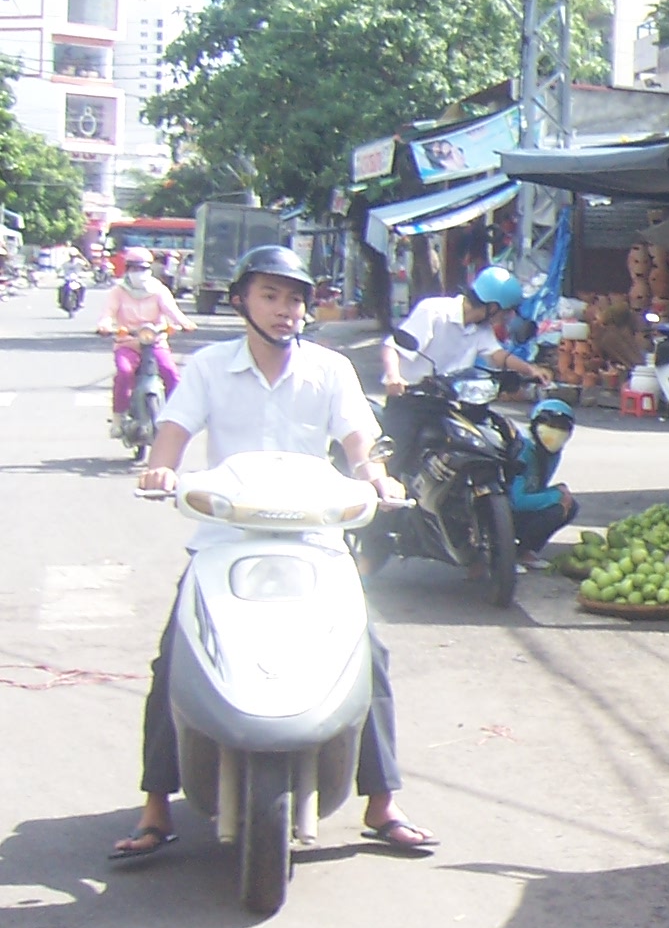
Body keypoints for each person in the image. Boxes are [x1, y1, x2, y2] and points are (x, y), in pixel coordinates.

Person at [112, 246, 433, 863]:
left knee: (369, 655)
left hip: (313, 540)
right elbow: (173, 433)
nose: (285, 310)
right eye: (270, 295)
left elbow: (362, 444)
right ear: (242, 301)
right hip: (225, 540)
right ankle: (155, 808)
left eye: (295, 299)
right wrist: (160, 470)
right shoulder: (210, 367)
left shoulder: (331, 369)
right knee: (175, 655)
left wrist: (378, 479)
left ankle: (382, 802)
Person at [381, 265, 550, 393]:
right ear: (493, 307)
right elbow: (392, 347)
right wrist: (393, 377)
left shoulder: (481, 328)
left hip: (450, 399)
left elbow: (498, 356)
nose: (507, 318)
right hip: (411, 395)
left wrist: (531, 370)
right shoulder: (434, 311)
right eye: (506, 312)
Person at [98, 248, 194, 429]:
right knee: (124, 372)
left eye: (143, 268)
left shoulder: (159, 290)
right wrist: (105, 325)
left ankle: (177, 414)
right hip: (127, 342)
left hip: (155, 341)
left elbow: (172, 311)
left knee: (170, 372)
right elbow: (108, 312)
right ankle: (118, 417)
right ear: (127, 269)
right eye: (134, 268)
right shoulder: (118, 291)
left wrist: (184, 323)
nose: (139, 273)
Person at [506, 396, 580, 563]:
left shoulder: (552, 454)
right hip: (503, 511)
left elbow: (536, 488)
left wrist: (559, 492)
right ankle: (503, 555)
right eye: (550, 425)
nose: (555, 432)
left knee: (569, 507)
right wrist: (556, 496)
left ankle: (525, 551)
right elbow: (516, 501)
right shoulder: (522, 450)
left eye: (562, 428)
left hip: (523, 507)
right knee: (560, 503)